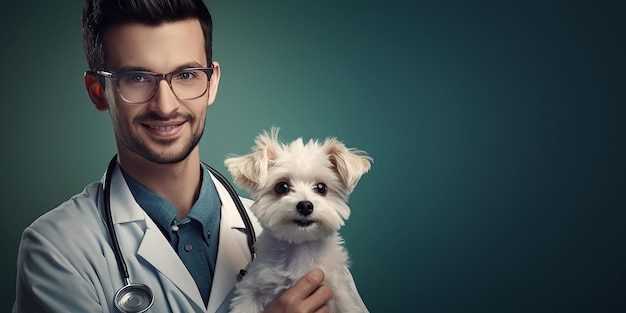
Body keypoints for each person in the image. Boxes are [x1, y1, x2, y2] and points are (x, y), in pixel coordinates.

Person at [12, 0, 369, 312]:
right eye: (137, 77)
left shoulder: (295, 234)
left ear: (211, 82)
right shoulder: (56, 249)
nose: (166, 105)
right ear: (98, 91)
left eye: (186, 74)